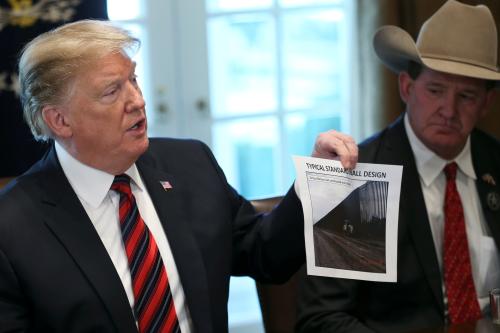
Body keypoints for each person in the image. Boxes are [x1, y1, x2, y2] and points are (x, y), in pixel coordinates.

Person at [0, 19, 357, 333]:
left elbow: (264, 254)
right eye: (112, 91)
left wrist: (317, 182)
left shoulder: (190, 163)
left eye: (133, 80)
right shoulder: (12, 228)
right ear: (59, 121)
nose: (137, 100)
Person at [296, 1, 500, 332]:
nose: (448, 110)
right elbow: (321, 320)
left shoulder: (495, 163)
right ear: (406, 87)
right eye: (435, 90)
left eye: (466, 97)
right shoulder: (360, 179)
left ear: (486, 104)